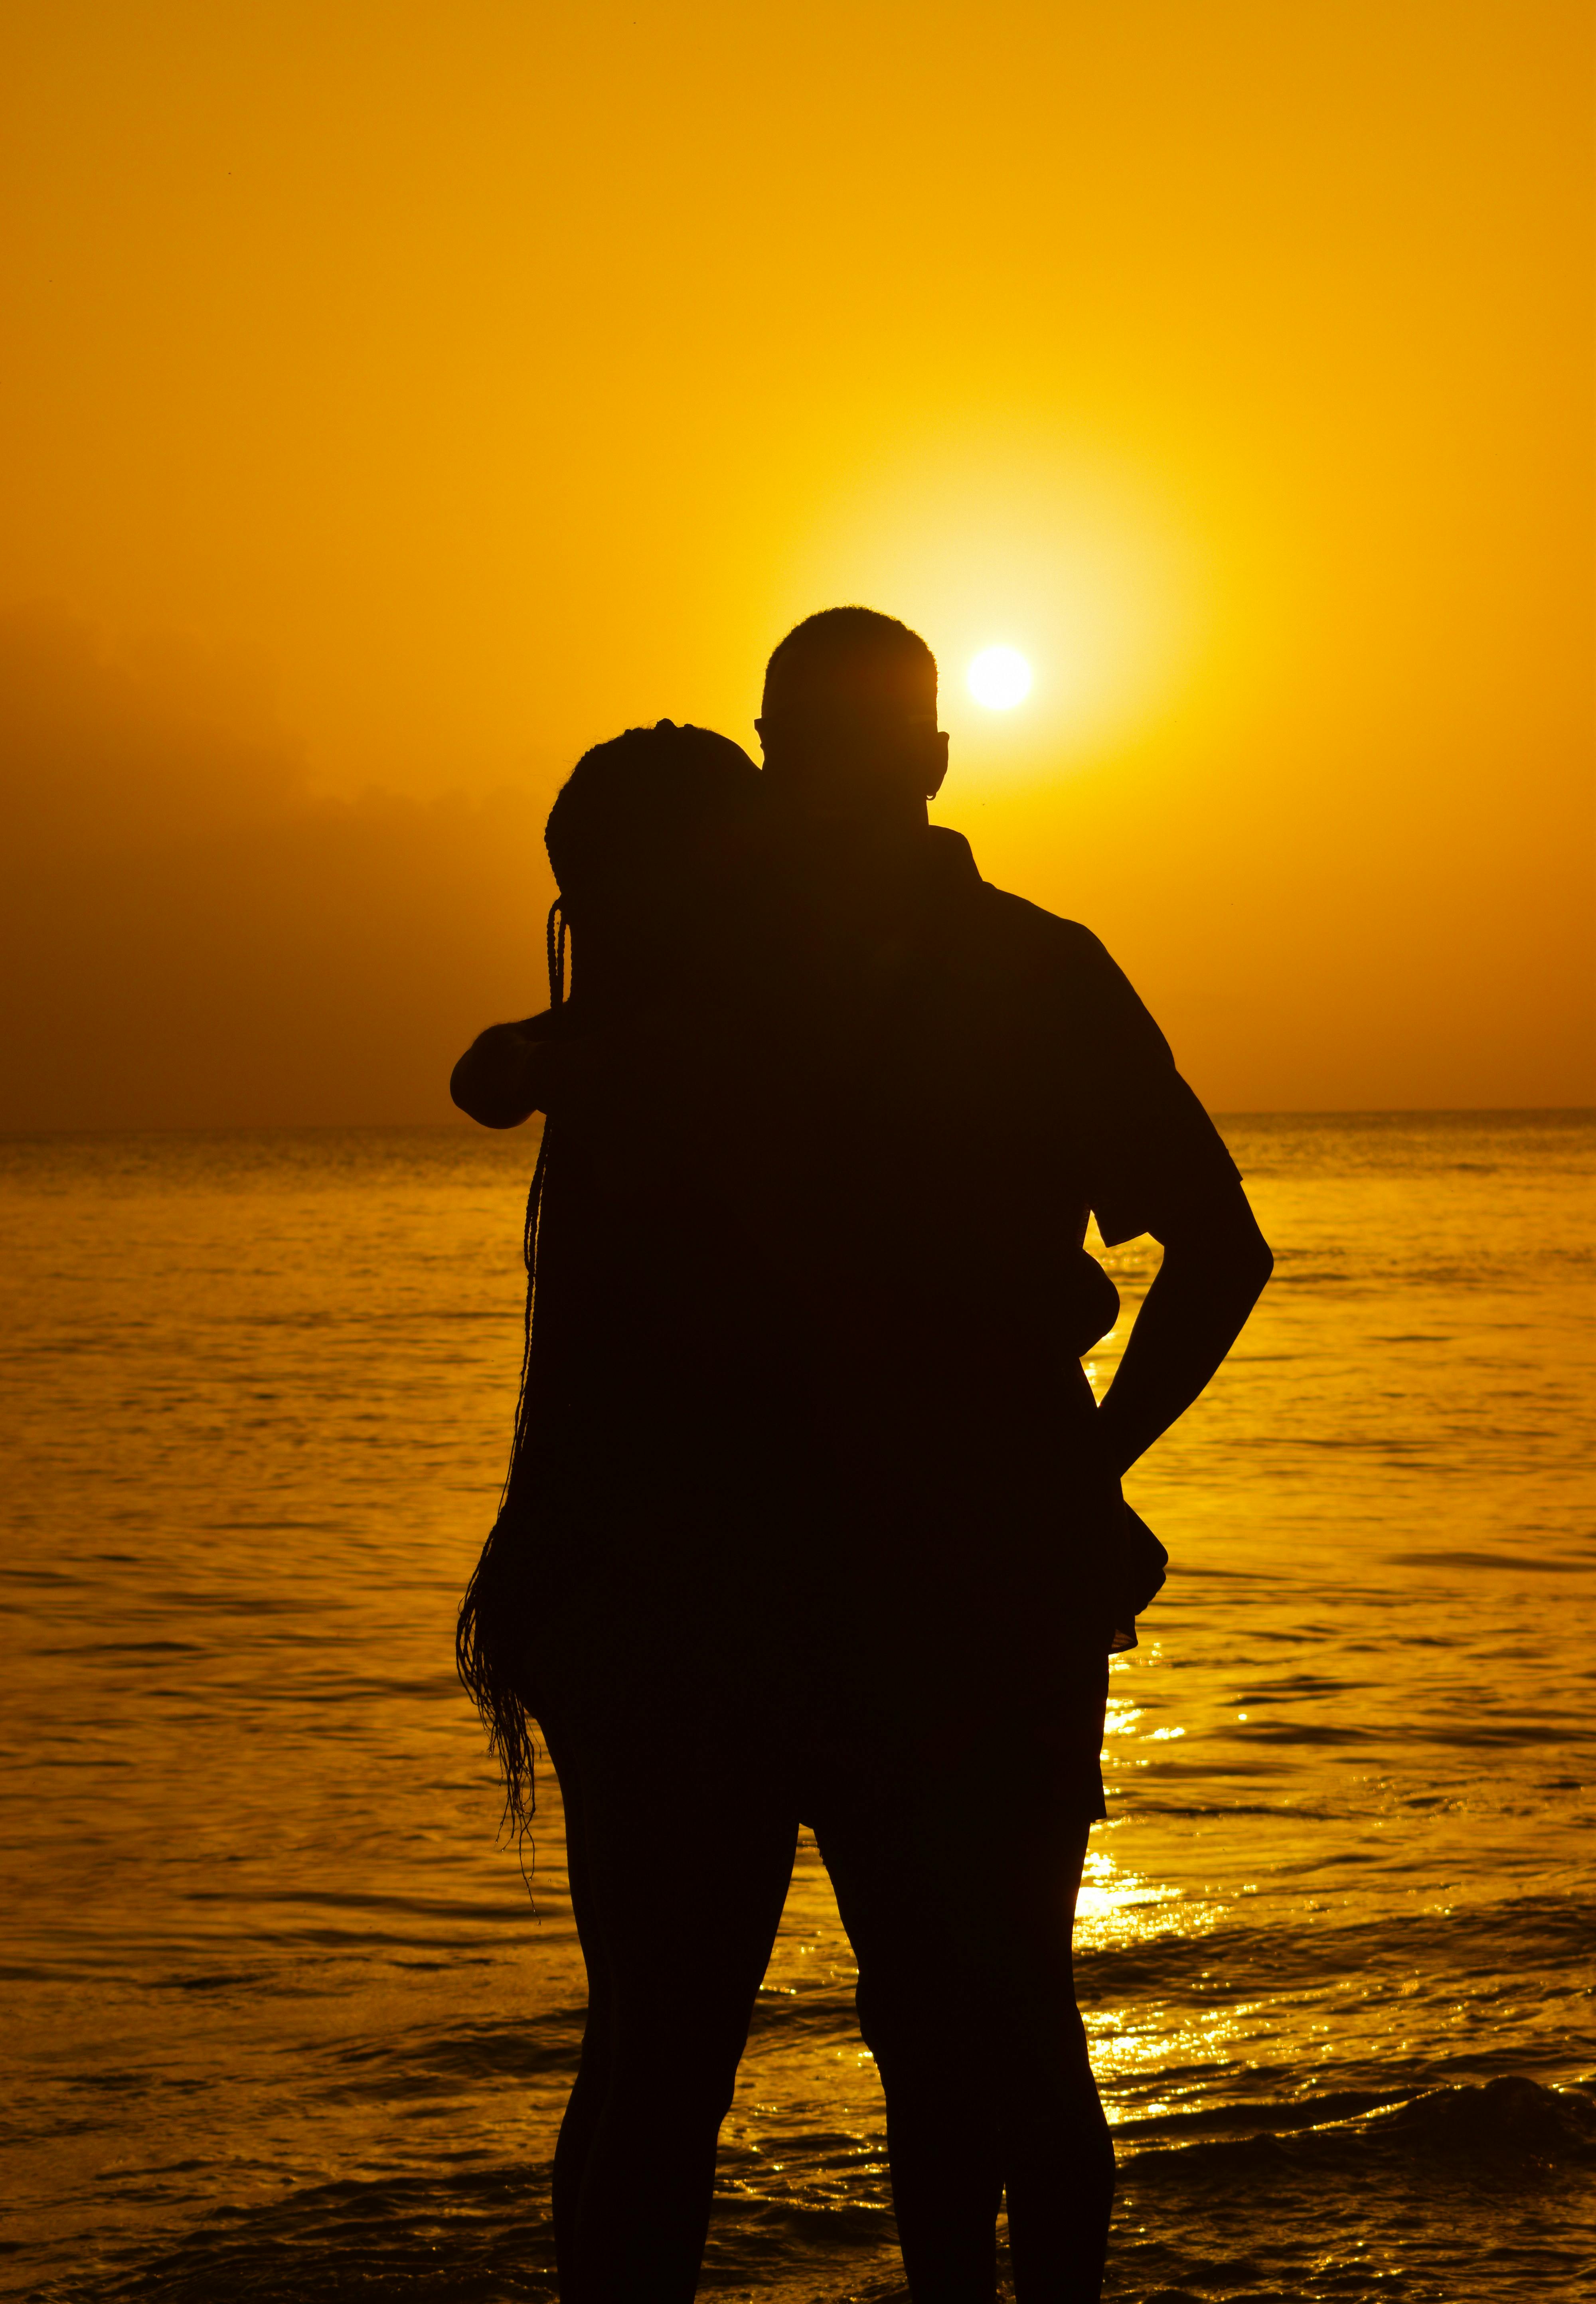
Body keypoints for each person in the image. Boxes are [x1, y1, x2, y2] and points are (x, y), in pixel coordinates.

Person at [452, 624, 1272, 2304]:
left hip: (801, 1594)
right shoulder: (963, 968)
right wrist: (1086, 1470)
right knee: (958, 2038)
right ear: (935, 753)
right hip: (888, 1594)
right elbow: (1218, 1251)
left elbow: (1220, 1251)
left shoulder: (831, 977)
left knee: (710, 2056)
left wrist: (1085, 1471)